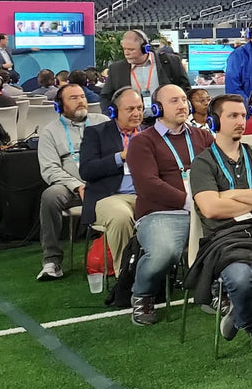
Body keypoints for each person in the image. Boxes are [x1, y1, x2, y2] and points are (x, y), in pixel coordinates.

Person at [189, 93, 252, 352]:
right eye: (233, 116)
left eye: (243, 115)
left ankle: (240, 309)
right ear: (214, 121)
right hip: (223, 239)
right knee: (241, 279)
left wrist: (230, 195)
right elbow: (211, 208)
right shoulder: (203, 163)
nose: (241, 120)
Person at [127, 84, 215, 326]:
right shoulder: (142, 142)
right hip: (162, 213)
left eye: (184, 100)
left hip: (205, 209)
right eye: (174, 101)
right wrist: (190, 202)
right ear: (157, 108)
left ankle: (213, 289)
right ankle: (142, 294)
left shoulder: (203, 136)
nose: (183, 105)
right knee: (164, 252)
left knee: (232, 237)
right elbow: (148, 185)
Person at [35, 81, 108, 282]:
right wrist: (77, 185)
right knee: (50, 196)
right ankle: (52, 260)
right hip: (70, 186)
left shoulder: (101, 121)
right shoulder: (50, 131)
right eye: (73, 98)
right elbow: (49, 169)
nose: (80, 101)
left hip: (102, 180)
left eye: (82, 97)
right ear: (60, 106)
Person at [80, 86, 145, 270]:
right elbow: (86, 170)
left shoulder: (150, 133)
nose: (136, 113)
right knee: (120, 216)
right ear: (114, 111)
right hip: (110, 196)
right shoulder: (96, 133)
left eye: (139, 108)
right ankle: (125, 276)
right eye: (130, 109)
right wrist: (120, 157)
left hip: (145, 194)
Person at [101, 29, 190, 106]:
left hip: (166, 119)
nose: (126, 53)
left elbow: (185, 89)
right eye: (124, 49)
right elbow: (105, 97)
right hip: (132, 122)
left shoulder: (170, 62)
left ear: (145, 49)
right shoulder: (116, 69)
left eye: (131, 49)